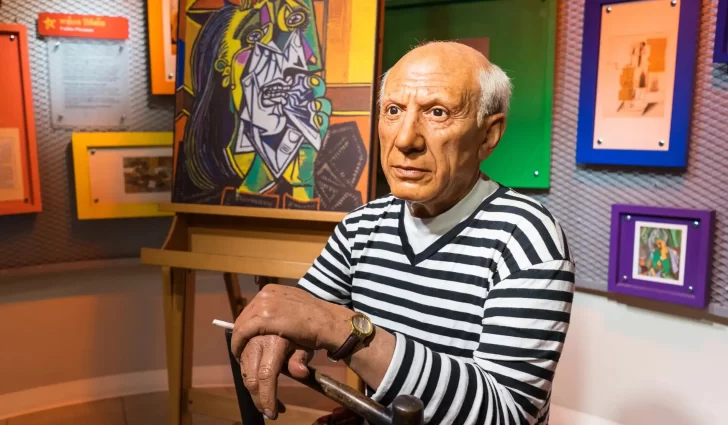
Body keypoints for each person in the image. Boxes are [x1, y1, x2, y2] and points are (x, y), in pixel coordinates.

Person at [230, 41, 576, 425]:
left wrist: (342, 329)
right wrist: (274, 331)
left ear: (488, 135)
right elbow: (300, 314)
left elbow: (507, 416)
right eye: (393, 110)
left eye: (438, 112)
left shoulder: (528, 238)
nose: (406, 139)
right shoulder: (362, 226)